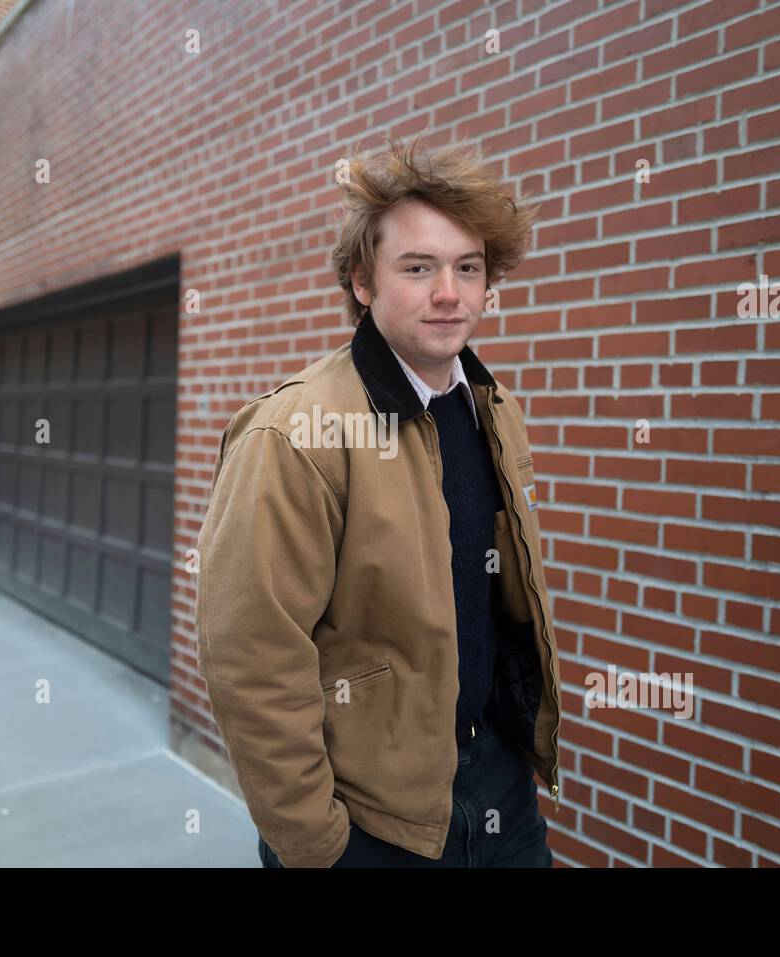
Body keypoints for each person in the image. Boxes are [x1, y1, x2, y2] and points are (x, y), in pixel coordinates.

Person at [195, 133, 561, 868]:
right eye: (419, 267)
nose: (449, 293)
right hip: (368, 820)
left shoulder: (493, 408)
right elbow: (250, 655)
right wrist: (315, 841)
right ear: (363, 280)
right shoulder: (295, 433)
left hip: (499, 789)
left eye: (468, 267)